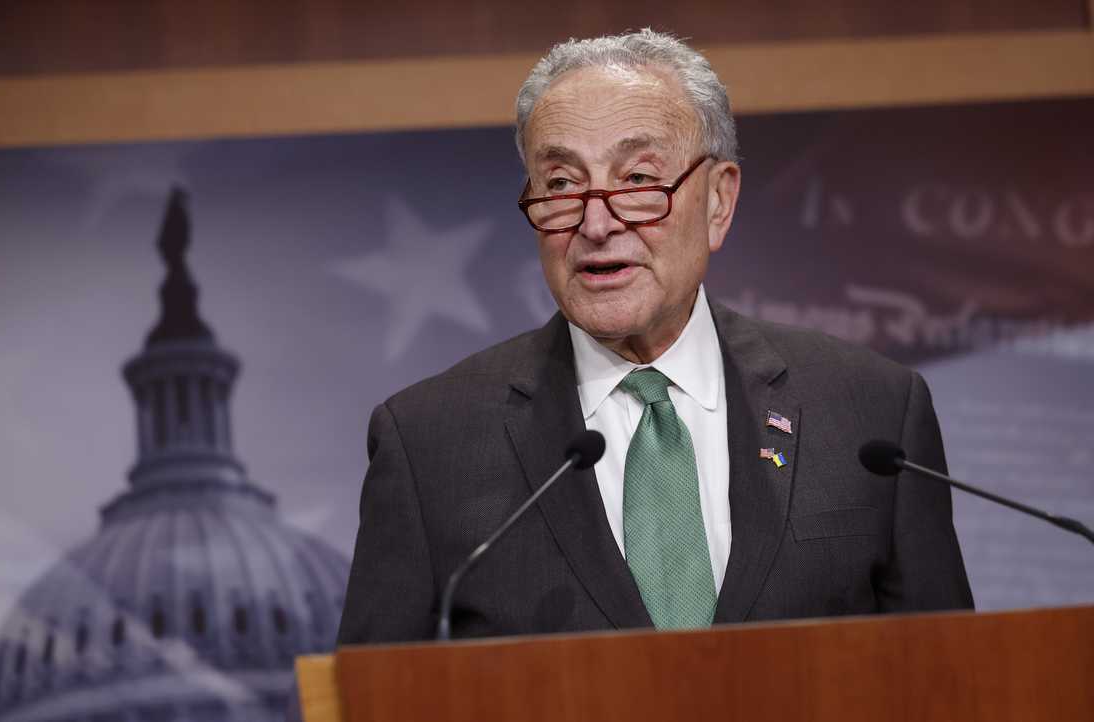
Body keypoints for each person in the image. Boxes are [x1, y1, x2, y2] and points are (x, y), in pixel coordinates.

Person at [337, 29, 972, 643]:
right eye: (561, 184)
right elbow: (374, 699)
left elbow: (950, 683)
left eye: (638, 180)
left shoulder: (872, 415)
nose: (595, 222)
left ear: (718, 202)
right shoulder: (428, 443)